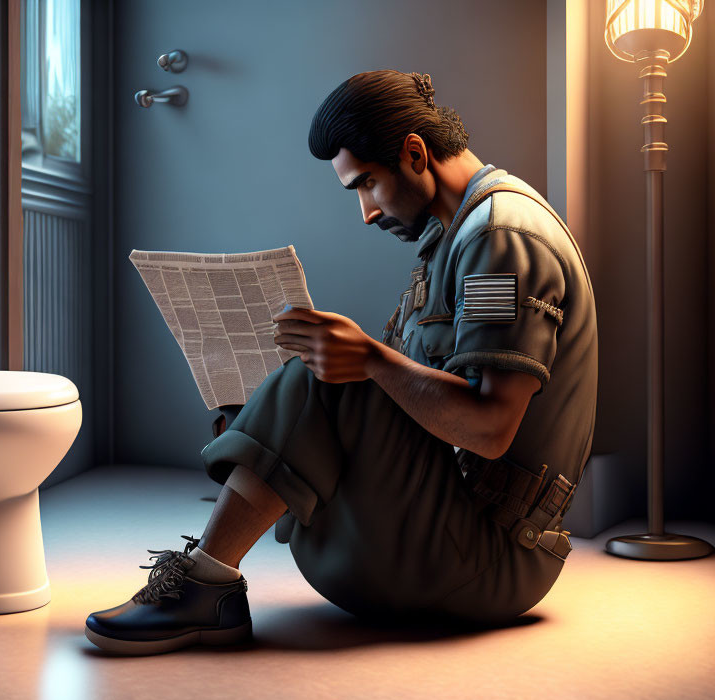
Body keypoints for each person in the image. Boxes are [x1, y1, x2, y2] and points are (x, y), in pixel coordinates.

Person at [84, 70, 597, 656]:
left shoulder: (502, 240)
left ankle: (205, 585)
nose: (367, 212)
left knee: (330, 374)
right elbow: (413, 404)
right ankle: (209, 574)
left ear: (414, 154)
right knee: (318, 371)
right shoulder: (450, 237)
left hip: (493, 559)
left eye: (368, 184)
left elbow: (489, 429)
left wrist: (371, 360)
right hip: (442, 526)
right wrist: (263, 414)